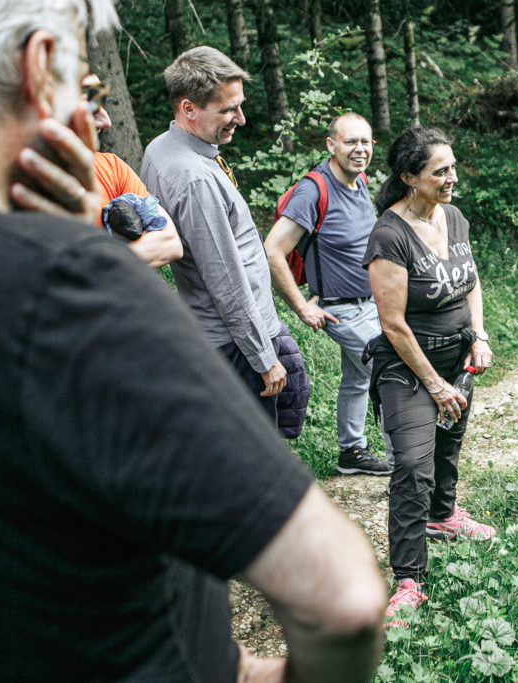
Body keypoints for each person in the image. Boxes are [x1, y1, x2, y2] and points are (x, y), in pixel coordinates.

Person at [0, 2, 386, 680]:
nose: (104, 116)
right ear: (36, 69)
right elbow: (345, 599)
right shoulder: (69, 284)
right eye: (85, 85)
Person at [362, 127, 496, 626]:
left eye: (452, 167)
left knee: (447, 446)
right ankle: (409, 579)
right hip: (407, 367)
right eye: (440, 171)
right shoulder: (389, 236)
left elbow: (471, 280)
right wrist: (435, 387)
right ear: (409, 178)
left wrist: (479, 336)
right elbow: (393, 323)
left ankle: (444, 516)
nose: (451, 178)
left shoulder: (454, 218)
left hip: (457, 359)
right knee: (412, 465)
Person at [141, 46, 309, 438]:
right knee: (257, 459)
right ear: (189, 108)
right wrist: (263, 358)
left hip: (240, 330)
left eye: (240, 105)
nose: (241, 119)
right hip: (237, 345)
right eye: (228, 110)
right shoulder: (193, 178)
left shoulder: (162, 149)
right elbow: (224, 279)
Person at [264, 112, 392, 476]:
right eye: (350, 141)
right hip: (343, 311)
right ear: (331, 145)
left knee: (359, 378)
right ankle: (408, 469)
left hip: (370, 303)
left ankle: (351, 453)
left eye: (365, 142)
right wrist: (303, 305)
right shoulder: (313, 189)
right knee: (393, 374)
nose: (359, 149)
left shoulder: (360, 180)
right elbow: (272, 249)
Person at [82, 73, 183, 269]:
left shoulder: (111, 167)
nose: (106, 121)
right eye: (90, 106)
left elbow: (169, 242)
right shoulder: (12, 189)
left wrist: (89, 270)